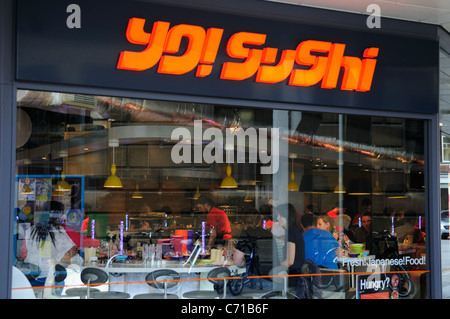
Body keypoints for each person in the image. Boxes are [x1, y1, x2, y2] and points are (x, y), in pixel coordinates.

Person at [20, 200, 77, 293]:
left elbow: (23, 255)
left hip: (30, 278)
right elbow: (71, 251)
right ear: (56, 214)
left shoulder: (29, 231)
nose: (63, 216)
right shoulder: (58, 232)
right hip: (50, 279)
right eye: (62, 213)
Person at [276, 203, 305, 289]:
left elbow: (289, 261)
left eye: (280, 216)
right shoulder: (293, 231)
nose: (277, 218)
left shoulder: (291, 232)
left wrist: (275, 267)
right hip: (295, 276)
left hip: (293, 277)